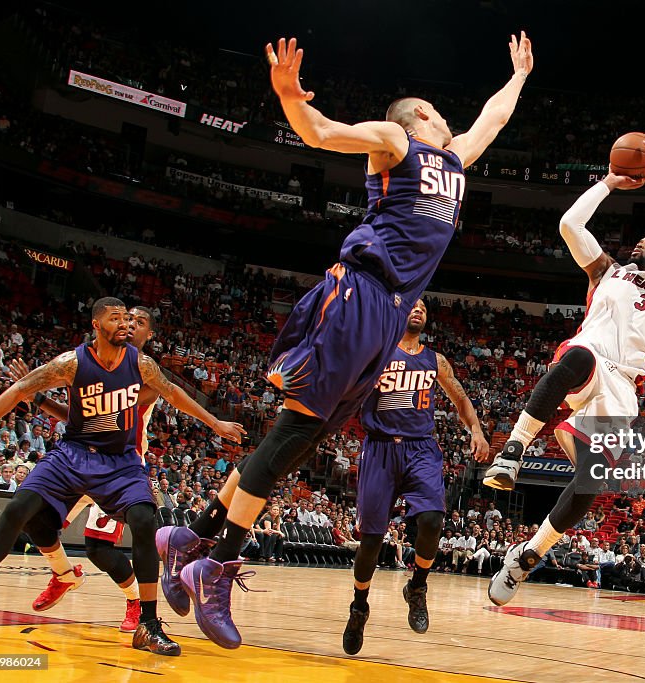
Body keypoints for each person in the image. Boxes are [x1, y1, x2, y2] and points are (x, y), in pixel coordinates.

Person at [161, 31, 533, 650]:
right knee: (295, 430)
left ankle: (192, 537)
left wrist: (518, 77)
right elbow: (324, 133)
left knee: (304, 440)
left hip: (390, 315)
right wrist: (287, 96)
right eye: (437, 111)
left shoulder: (455, 161)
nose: (447, 117)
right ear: (418, 117)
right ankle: (214, 566)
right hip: (360, 294)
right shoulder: (395, 140)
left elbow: (491, 119)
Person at [485, 135, 645, 606]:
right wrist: (607, 182)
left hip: (622, 386)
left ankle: (527, 555)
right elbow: (569, 223)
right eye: (642, 237)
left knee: (591, 481)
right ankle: (514, 450)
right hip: (588, 358)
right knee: (579, 354)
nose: (643, 240)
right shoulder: (607, 270)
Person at [0, 298, 243, 655]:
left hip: (122, 462)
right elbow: (18, 390)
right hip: (73, 454)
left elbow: (176, 395)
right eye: (117, 319)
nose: (125, 324)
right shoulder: (71, 362)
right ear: (97, 325)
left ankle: (148, 624)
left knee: (143, 519)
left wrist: (216, 423)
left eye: (129, 319)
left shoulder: (143, 366)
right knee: (21, 510)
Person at [342, 299, 489, 654]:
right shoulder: (376, 353)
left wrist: (477, 430)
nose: (418, 309)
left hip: (420, 448)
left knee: (433, 518)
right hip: (379, 449)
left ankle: (417, 587)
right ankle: (359, 606)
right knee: (372, 542)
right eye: (412, 304)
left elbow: (460, 397)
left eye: (424, 306)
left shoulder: (435, 361)